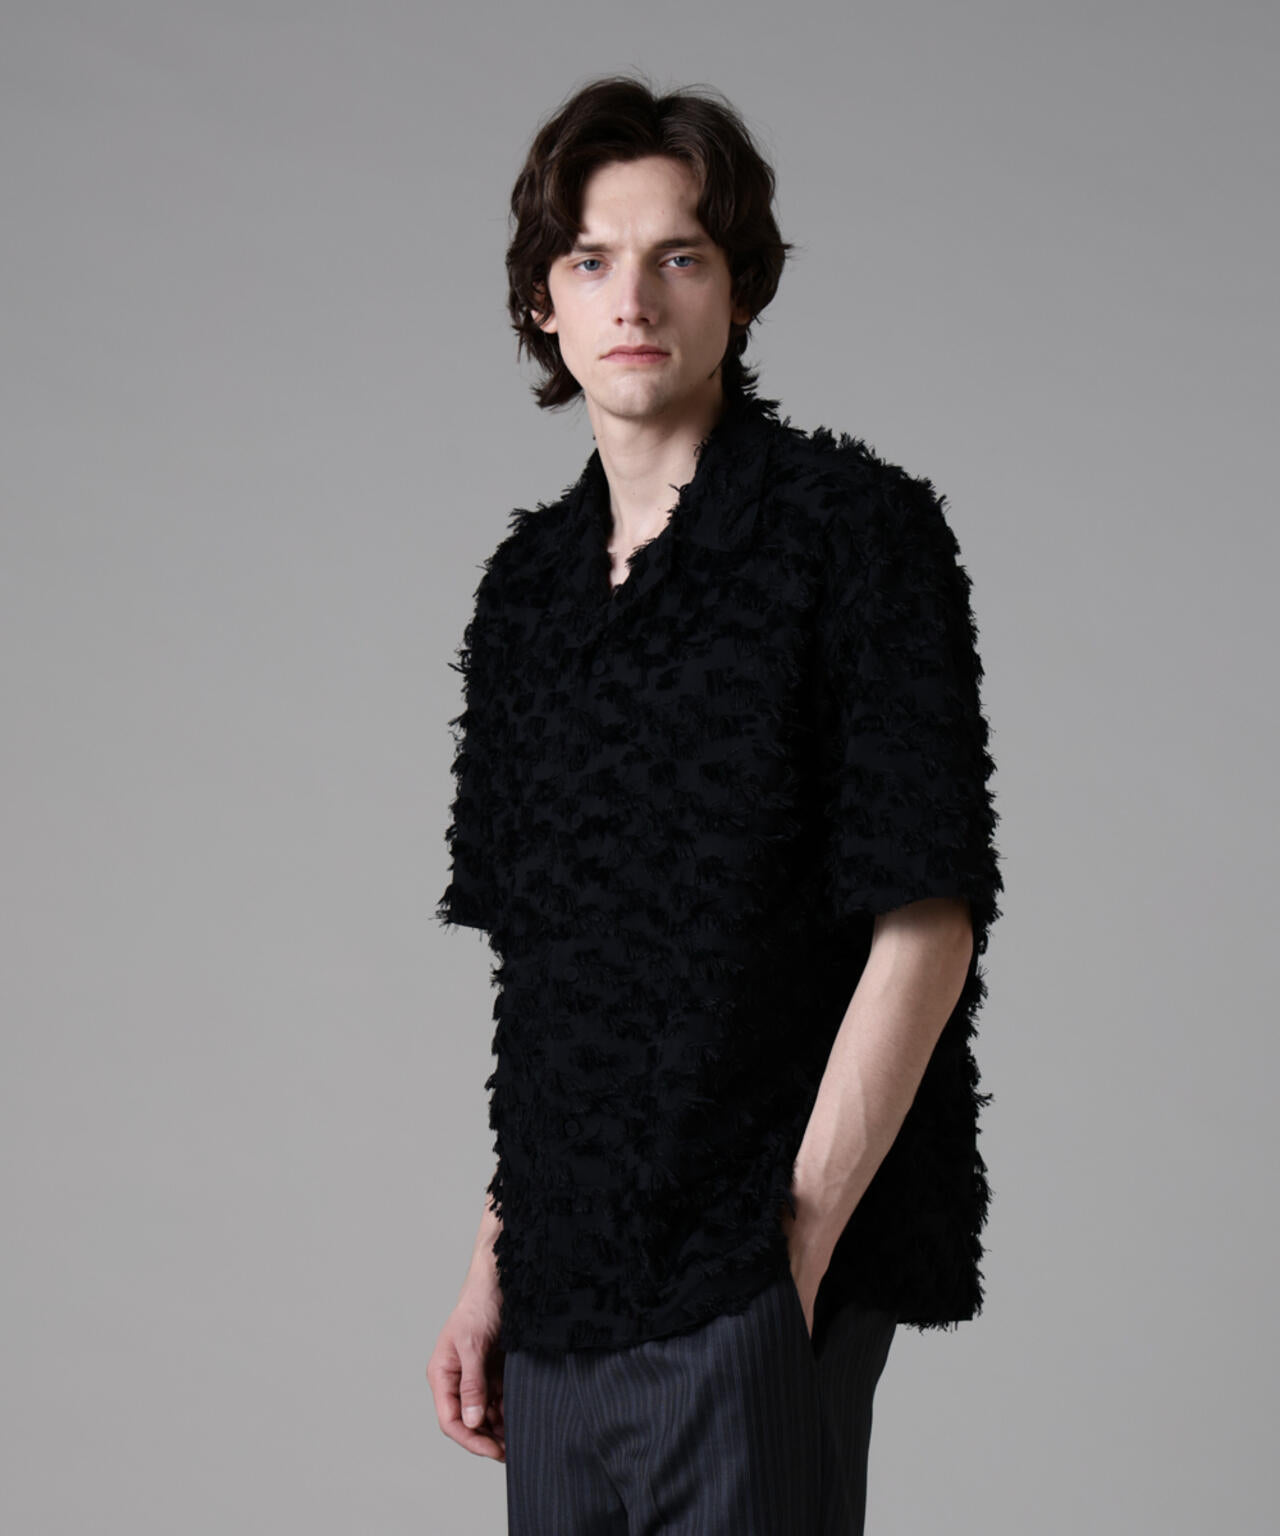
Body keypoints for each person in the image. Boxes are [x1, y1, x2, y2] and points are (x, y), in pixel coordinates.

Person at [426, 74, 1004, 1535]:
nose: (633, 298)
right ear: (543, 303)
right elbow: (544, 980)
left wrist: (793, 1242)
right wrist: (493, 1268)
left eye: (678, 255)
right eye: (590, 260)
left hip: (754, 1258)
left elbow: (928, 917)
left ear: (739, 288)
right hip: (565, 1285)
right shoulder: (528, 596)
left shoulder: (852, 536)